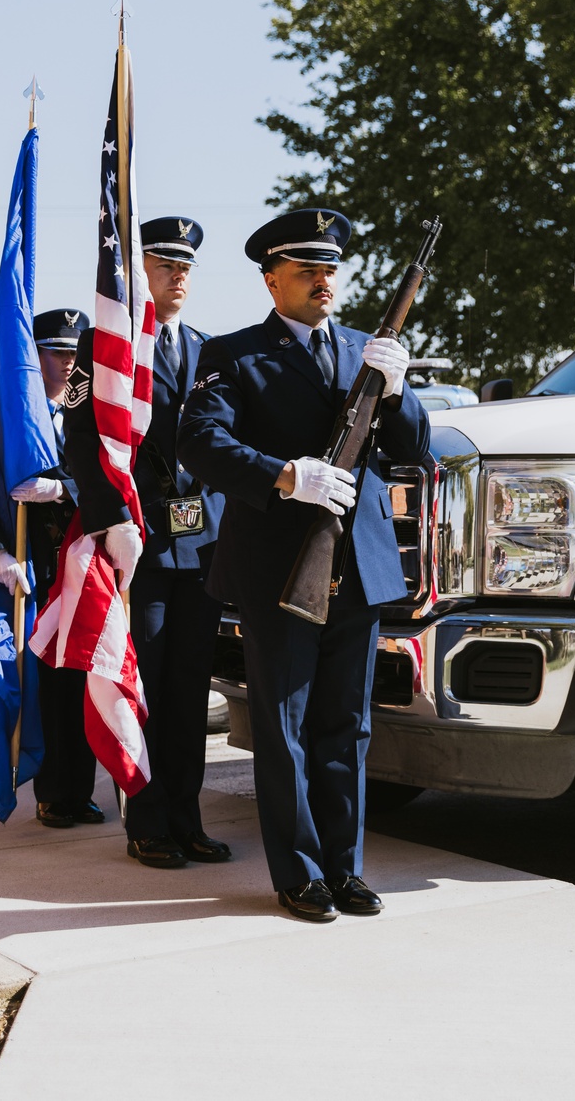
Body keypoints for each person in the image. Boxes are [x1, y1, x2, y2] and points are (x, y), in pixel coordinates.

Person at [176, 208, 430, 921]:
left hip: (357, 564)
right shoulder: (232, 353)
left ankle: (345, 869)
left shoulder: (363, 350)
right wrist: (285, 476)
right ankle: (299, 873)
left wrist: (400, 387)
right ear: (272, 279)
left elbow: (412, 449)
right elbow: (197, 439)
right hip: (280, 567)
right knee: (284, 725)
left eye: (330, 269)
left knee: (346, 725)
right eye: (308, 269)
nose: (325, 281)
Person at [63, 216, 227, 869]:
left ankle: (188, 818)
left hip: (203, 544)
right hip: (141, 544)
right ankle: (148, 822)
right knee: (147, 687)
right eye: (165, 264)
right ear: (139, 271)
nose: (178, 275)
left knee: (191, 693)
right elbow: (82, 440)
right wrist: (110, 521)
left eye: (186, 266)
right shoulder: (101, 346)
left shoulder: (212, 349)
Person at [0, 307, 105, 828]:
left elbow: (108, 477)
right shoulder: (9, 417)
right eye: (55, 352)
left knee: (82, 681)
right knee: (45, 686)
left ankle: (81, 790)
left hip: (86, 565)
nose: (67, 363)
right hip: (39, 569)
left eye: (73, 353)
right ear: (33, 360)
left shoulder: (92, 410)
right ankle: (51, 792)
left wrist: (63, 488)